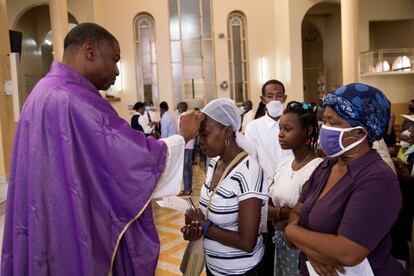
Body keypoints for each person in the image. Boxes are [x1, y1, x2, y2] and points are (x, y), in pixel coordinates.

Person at [1, 23, 204, 276]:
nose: (117, 70)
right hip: (69, 231)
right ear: (90, 51)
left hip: (48, 220)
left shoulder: (41, 92)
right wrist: (182, 135)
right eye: (115, 59)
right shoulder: (73, 98)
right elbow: (131, 160)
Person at [284, 83, 405, 276]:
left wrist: (291, 232)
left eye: (333, 123)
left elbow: (347, 252)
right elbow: (295, 215)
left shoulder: (378, 179)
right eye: (324, 121)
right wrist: (315, 253)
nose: (324, 129)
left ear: (359, 132)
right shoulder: (327, 166)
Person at [182, 99, 268, 276]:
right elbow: (212, 208)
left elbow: (247, 242)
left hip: (241, 271)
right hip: (214, 267)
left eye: (205, 134)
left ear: (228, 131)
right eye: (199, 135)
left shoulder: (249, 170)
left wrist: (205, 227)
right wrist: (196, 228)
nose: (200, 141)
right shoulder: (214, 162)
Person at [268, 101, 323, 276]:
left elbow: (308, 216)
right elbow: (266, 205)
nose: (280, 135)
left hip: (303, 248)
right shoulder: (284, 164)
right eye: (279, 129)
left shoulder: (317, 169)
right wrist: (284, 213)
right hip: (281, 243)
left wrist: (280, 213)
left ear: (307, 131)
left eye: (288, 129)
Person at [245, 79, 292, 274]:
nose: (275, 99)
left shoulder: (293, 125)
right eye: (270, 96)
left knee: (291, 245)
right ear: (263, 99)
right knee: (268, 247)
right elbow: (252, 163)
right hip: (267, 197)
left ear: (285, 98)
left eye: (279, 96)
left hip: (292, 194)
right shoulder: (254, 127)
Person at [177, 101, 194, 196]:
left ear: (181, 108)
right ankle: (189, 188)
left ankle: (187, 190)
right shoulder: (189, 116)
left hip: (185, 143)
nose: (177, 109)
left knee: (185, 167)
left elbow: (181, 131)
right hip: (190, 143)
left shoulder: (182, 117)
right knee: (189, 167)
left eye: (178, 107)